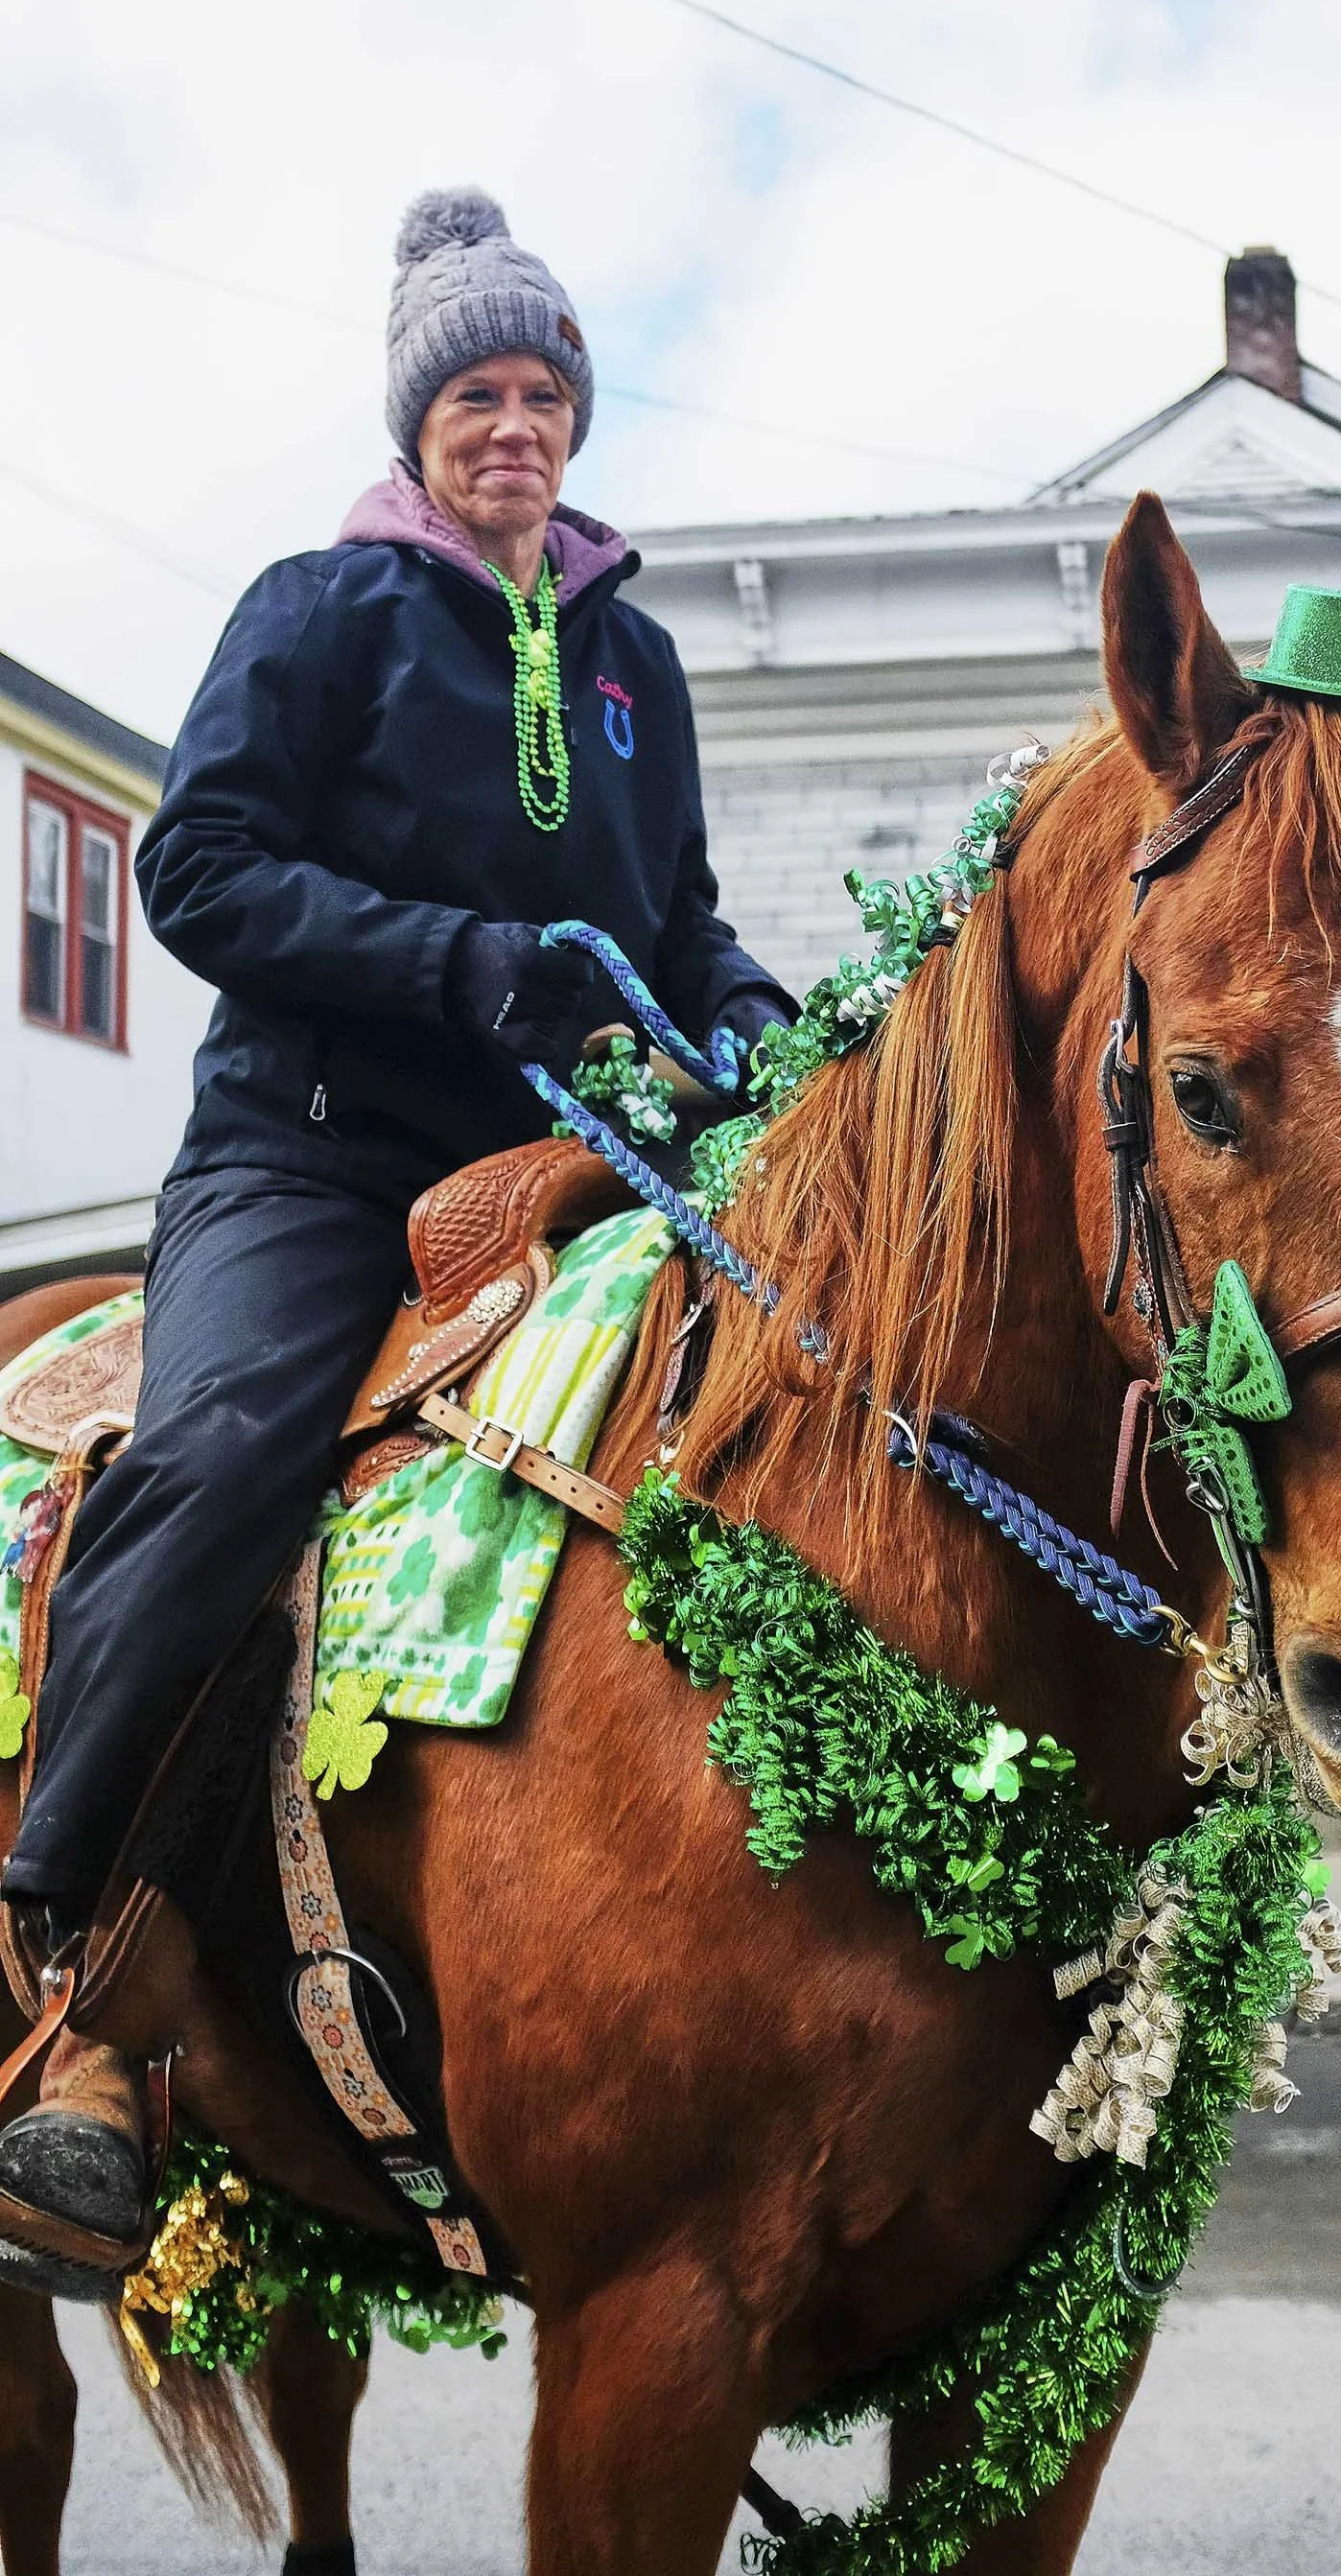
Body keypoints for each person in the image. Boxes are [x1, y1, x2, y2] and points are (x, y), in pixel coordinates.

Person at [0, 188, 794, 2273]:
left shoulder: (633, 660)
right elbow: (198, 871)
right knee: (224, 1457)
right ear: (420, 422)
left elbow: (682, 924)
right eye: (475, 395)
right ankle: (74, 1988)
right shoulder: (320, 607)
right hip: (321, 1160)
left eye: (541, 393)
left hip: (568, 1177)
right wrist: (458, 965)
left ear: (575, 418)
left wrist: (759, 1028)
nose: (511, 427)